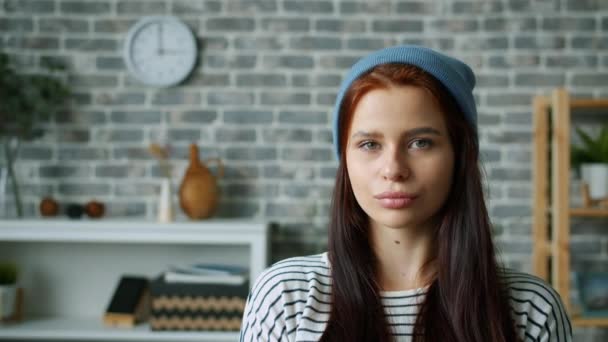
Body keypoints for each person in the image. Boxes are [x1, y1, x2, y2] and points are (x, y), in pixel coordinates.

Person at [239, 45, 572, 342]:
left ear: (461, 155)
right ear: (345, 159)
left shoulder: (530, 309)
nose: (393, 169)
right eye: (369, 144)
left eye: (420, 143)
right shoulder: (286, 297)